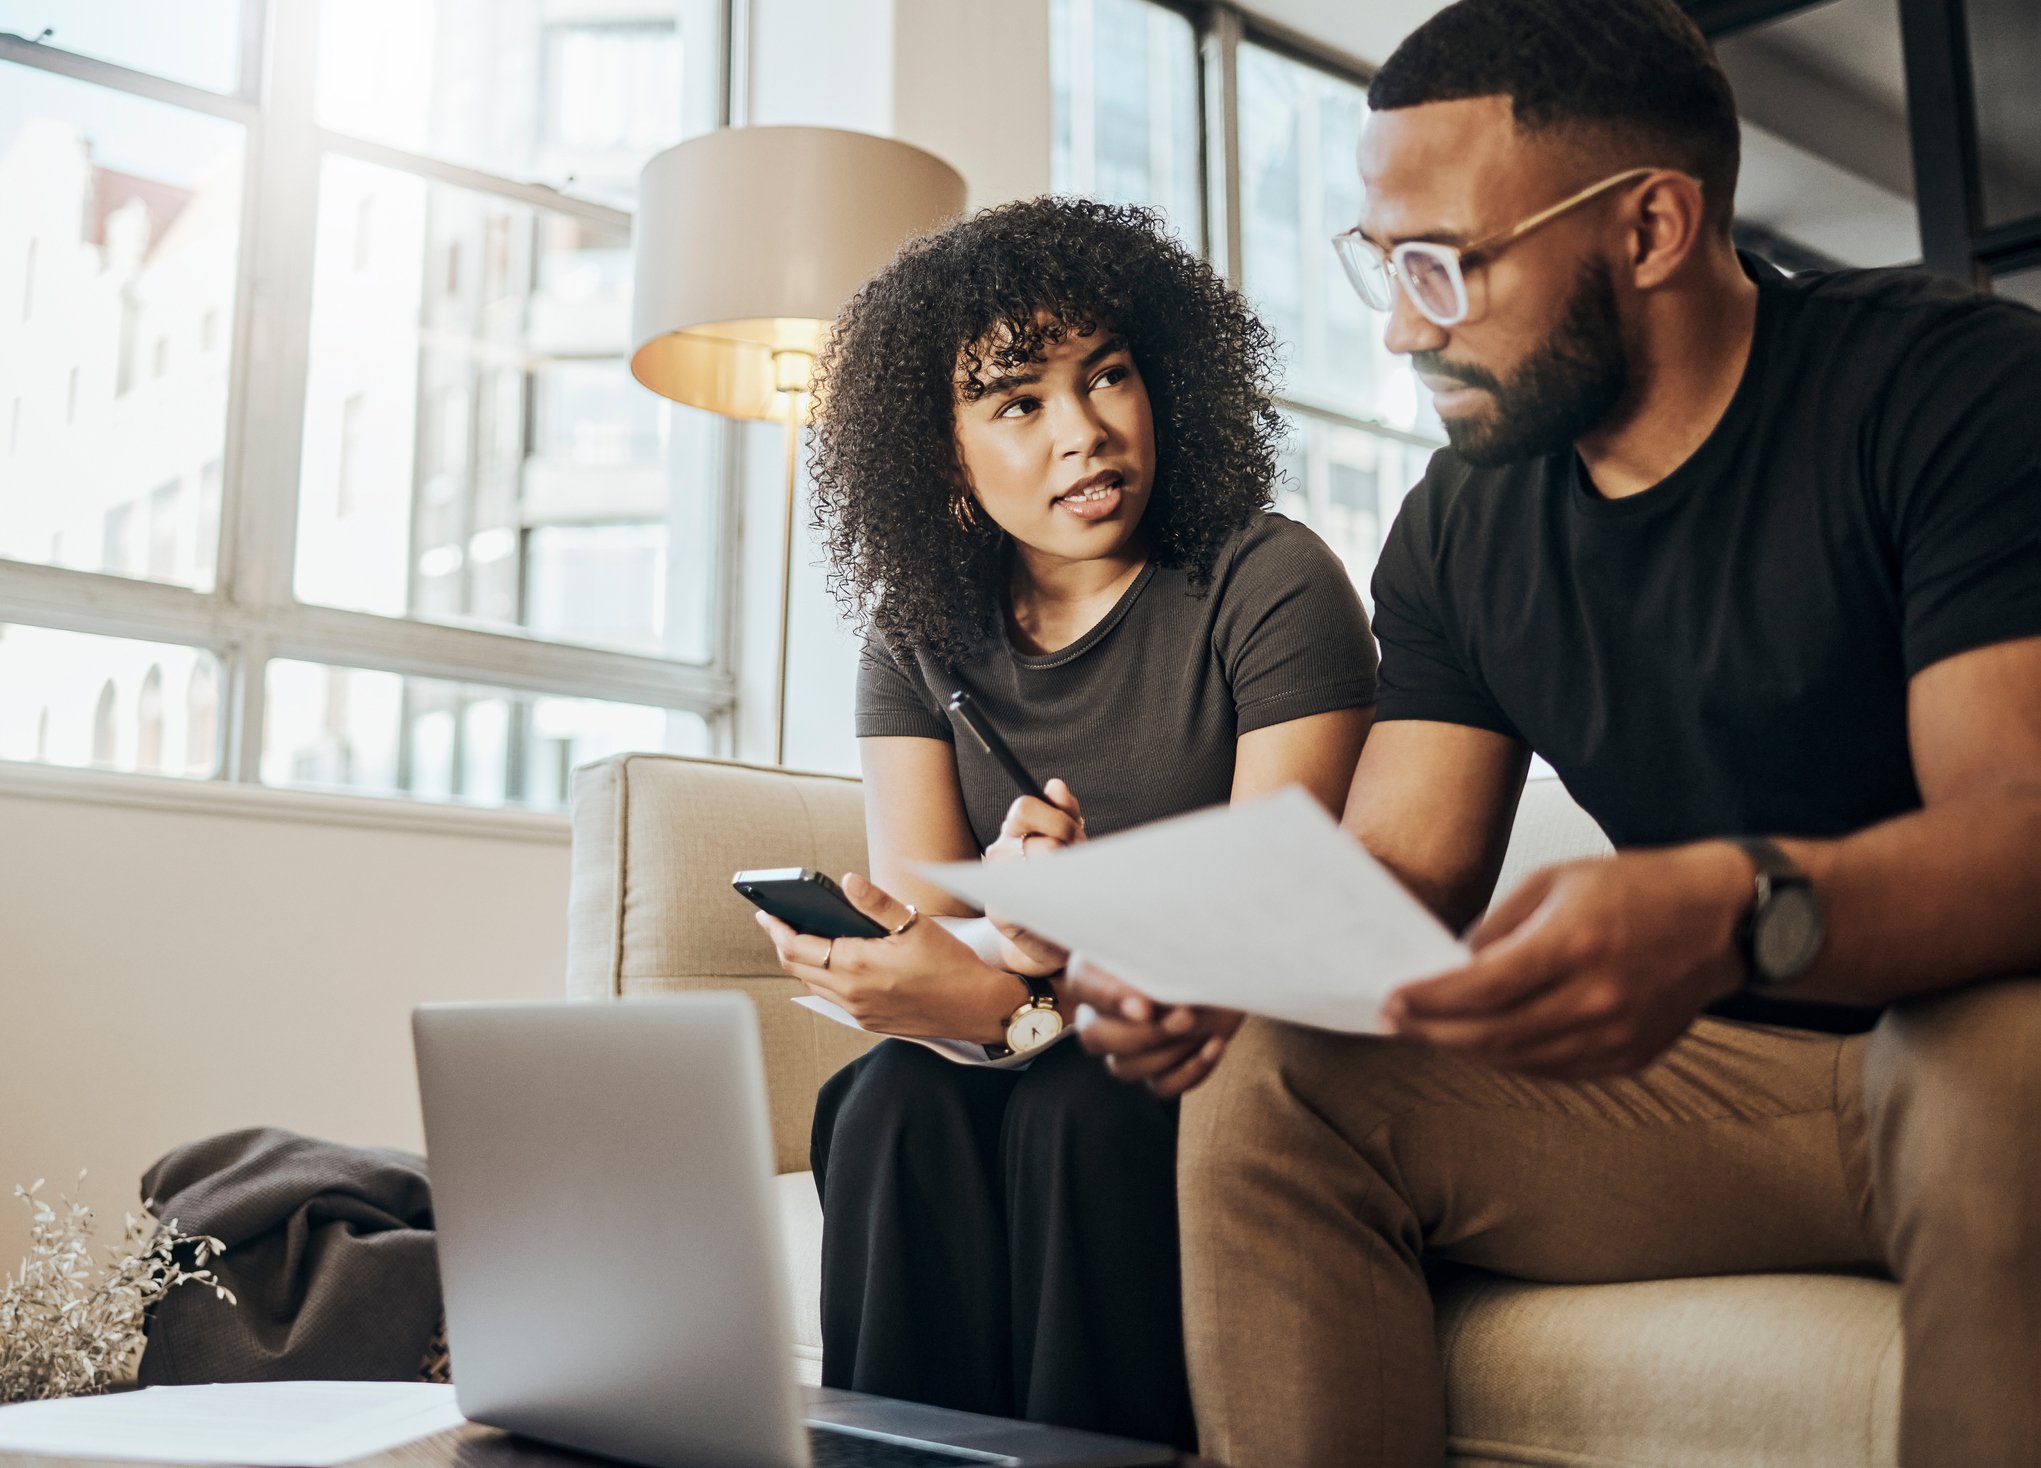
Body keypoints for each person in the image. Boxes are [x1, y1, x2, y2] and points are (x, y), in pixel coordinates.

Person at [1067, 2, 2041, 1464]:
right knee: (1275, 1082)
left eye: (1439, 265)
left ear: (1650, 227)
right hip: (1739, 1094)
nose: (1400, 326)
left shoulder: (1948, 393)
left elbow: (2016, 831)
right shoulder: (1459, 529)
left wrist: (1728, 910)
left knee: (1989, 1068)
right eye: (1376, 263)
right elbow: (1404, 870)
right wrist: (1229, 963)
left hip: (1987, 1034)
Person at [750, 197, 1379, 1451]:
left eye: (1108, 376)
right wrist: (959, 957)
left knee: (1077, 1112)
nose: (1086, 432)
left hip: (1218, 1043)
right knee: (883, 1105)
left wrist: (1022, 989)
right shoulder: (916, 636)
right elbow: (934, 930)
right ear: (939, 452)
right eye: (1018, 402)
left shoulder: (1268, 580)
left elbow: (1270, 920)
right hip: (1026, 1038)